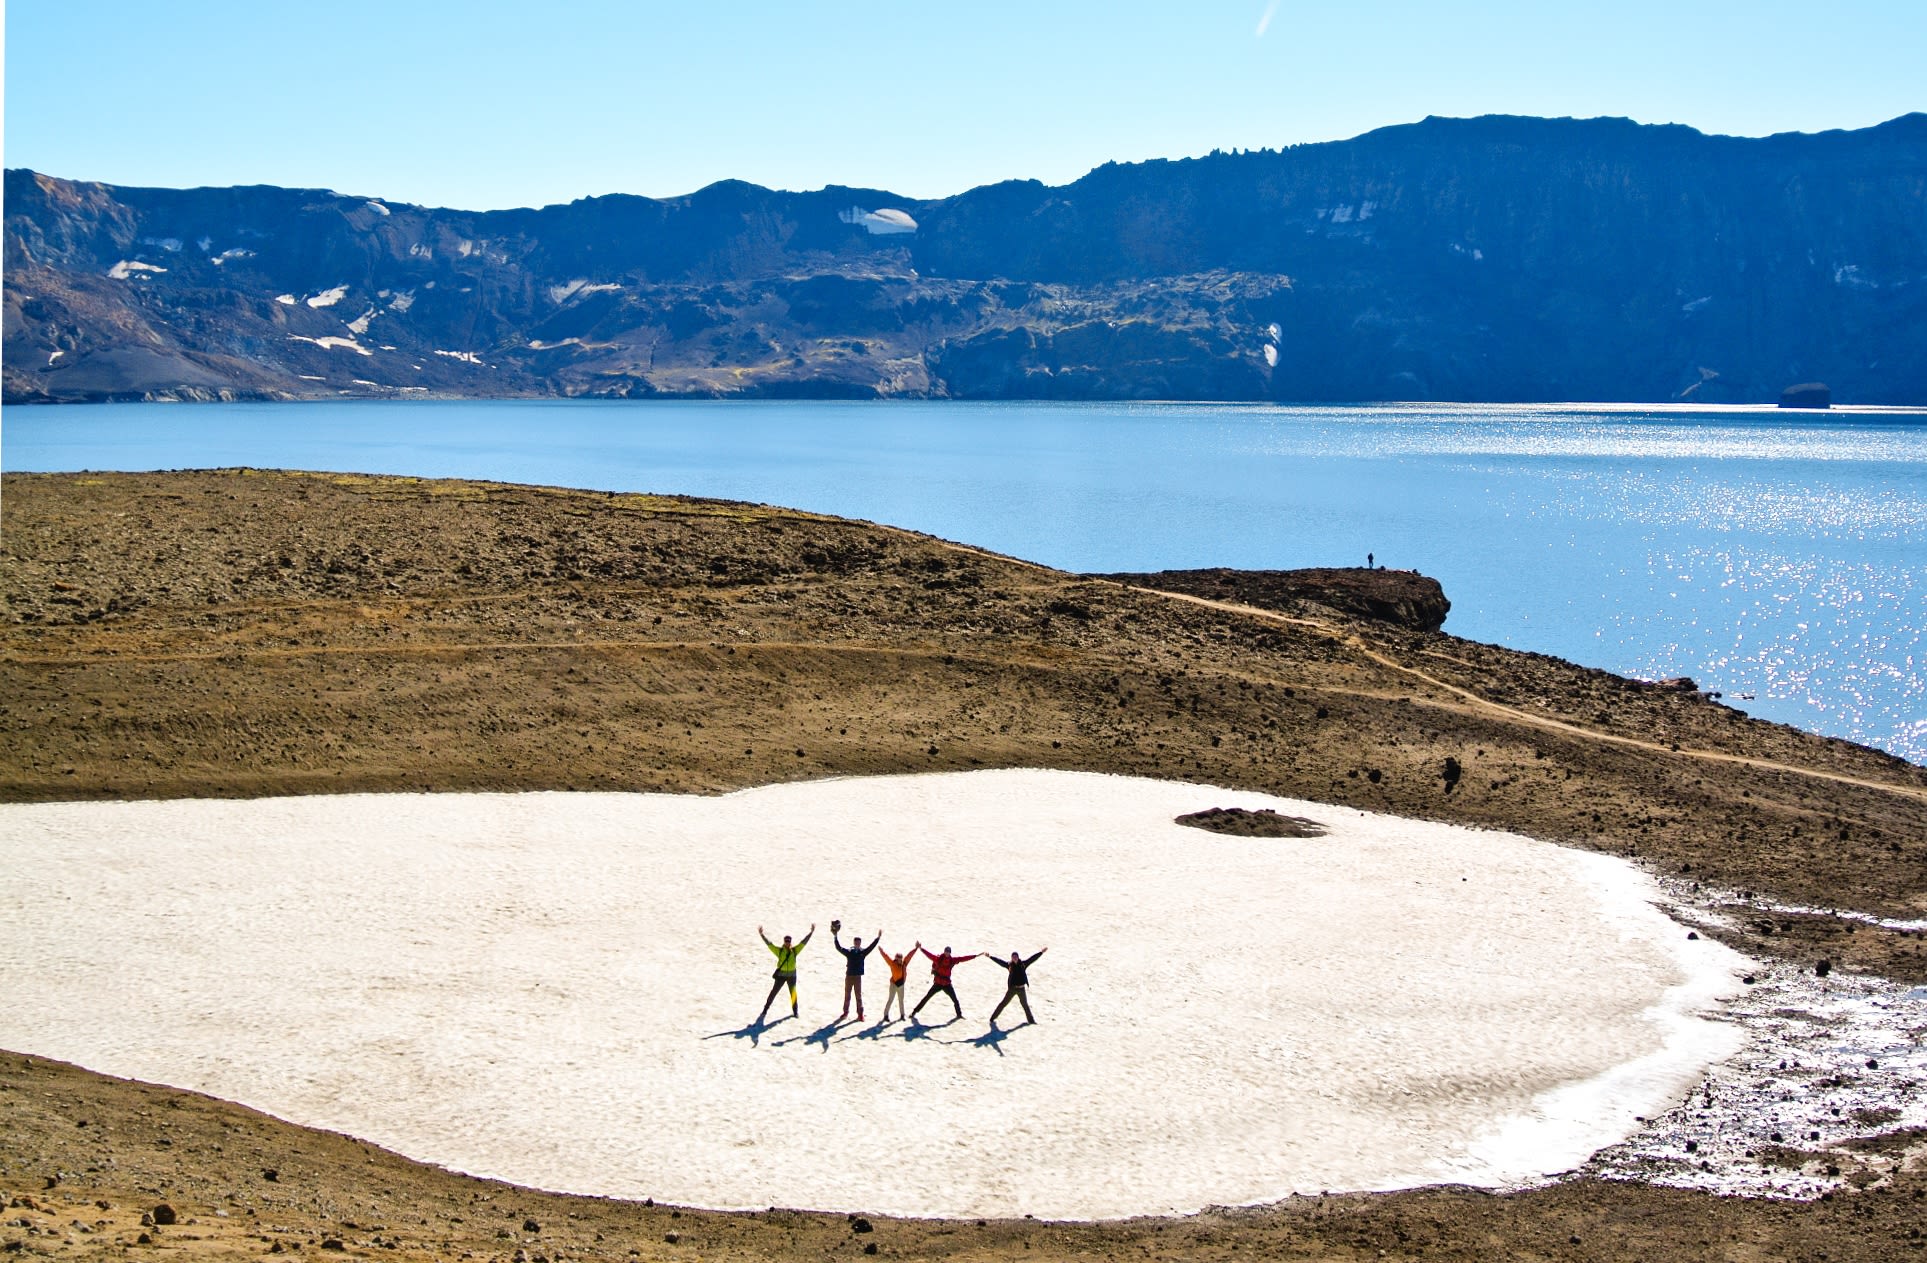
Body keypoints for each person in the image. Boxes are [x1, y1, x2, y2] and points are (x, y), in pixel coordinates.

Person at [756, 923, 814, 1023]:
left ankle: (795, 1012)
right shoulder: (780, 951)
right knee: (773, 993)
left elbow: (803, 943)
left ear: (790, 942)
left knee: (793, 994)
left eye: (789, 941)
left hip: (792, 976)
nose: (787, 943)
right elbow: (769, 944)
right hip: (781, 976)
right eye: (786, 941)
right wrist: (762, 935)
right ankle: (765, 1010)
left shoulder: (795, 951)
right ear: (784, 941)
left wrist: (811, 933)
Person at [910, 945, 979, 1022]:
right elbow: (929, 955)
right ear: (944, 951)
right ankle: (914, 1012)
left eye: (948, 952)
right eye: (946, 951)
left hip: (947, 984)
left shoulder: (952, 960)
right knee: (926, 997)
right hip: (938, 984)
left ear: (950, 953)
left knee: (955, 1000)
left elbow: (963, 958)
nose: (947, 953)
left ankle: (959, 1014)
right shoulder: (938, 959)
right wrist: (921, 949)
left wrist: (975, 956)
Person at [987, 947, 1048, 1026]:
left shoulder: (1023, 964)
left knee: (1025, 1005)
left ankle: (1031, 1021)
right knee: (1003, 1004)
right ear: (1011, 958)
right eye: (1013, 957)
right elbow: (1000, 962)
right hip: (1012, 989)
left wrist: (1041, 952)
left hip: (1021, 989)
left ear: (1018, 957)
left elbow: (1032, 959)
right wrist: (990, 957)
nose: (1014, 958)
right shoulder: (1009, 965)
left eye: (1016, 957)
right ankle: (992, 1018)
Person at [834, 926, 881, 1022]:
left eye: (858, 943)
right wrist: (835, 936)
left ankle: (860, 1014)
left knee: (858, 996)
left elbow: (871, 947)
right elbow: (839, 948)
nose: (857, 944)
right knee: (847, 995)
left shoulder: (863, 952)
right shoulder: (850, 952)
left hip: (857, 977)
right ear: (854, 943)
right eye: (856, 942)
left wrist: (878, 938)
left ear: (860, 943)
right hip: (849, 976)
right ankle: (845, 1012)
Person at [876, 939, 920, 1023]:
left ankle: (902, 1015)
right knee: (891, 999)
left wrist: (916, 949)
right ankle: (886, 1015)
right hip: (893, 984)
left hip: (901, 984)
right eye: (898, 958)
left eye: (900, 958)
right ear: (896, 958)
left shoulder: (904, 963)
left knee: (901, 1000)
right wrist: (881, 951)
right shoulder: (892, 963)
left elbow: (910, 955)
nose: (899, 960)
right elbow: (886, 957)